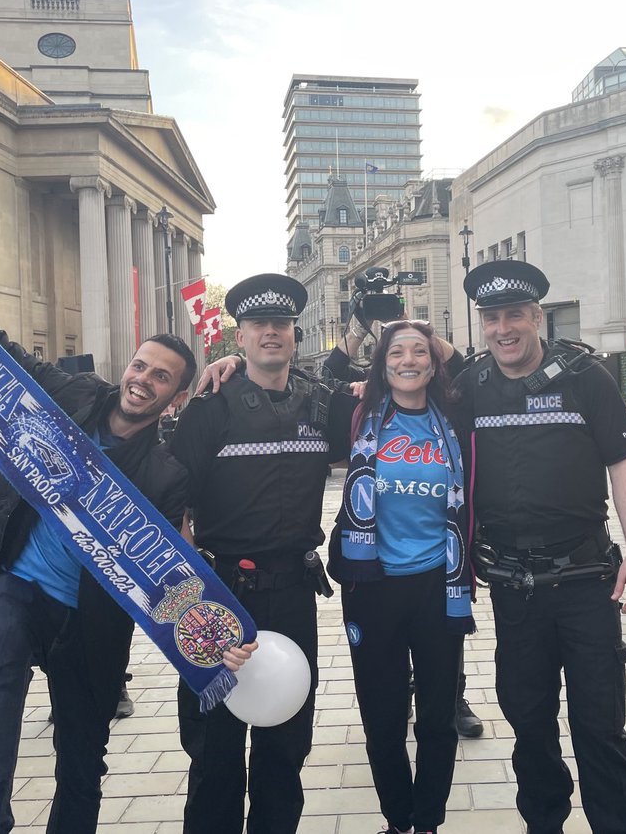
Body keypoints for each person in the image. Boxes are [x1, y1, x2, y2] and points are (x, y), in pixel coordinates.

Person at [0, 236, 252, 834]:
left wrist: (221, 644)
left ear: (176, 396)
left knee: (83, 763)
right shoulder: (71, 394)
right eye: (140, 366)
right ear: (127, 366)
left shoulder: (166, 475)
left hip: (90, 622)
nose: (143, 380)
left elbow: (174, 572)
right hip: (19, 581)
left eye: (161, 377)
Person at [456, 260, 626, 833]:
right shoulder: (471, 385)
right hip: (512, 588)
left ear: (536, 316)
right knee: (529, 721)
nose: (502, 329)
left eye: (513, 314)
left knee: (599, 723)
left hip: (585, 581)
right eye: (491, 318)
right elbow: (402, 378)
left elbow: (623, 467)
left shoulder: (585, 377)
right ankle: (543, 824)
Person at [170, 273, 354, 834]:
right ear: (240, 336)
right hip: (219, 595)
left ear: (295, 334)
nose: (271, 333)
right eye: (258, 325)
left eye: (281, 324)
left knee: (285, 749)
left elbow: (411, 391)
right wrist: (190, 583)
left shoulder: (323, 405)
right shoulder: (209, 409)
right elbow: (173, 499)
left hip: (294, 595)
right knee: (214, 753)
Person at [328, 319, 471, 834]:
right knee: (383, 717)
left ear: (433, 363)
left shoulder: (455, 413)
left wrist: (429, 333)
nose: (408, 361)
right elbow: (321, 374)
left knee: (437, 717)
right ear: (381, 363)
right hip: (373, 585)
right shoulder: (357, 411)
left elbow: (473, 367)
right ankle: (398, 819)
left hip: (439, 583)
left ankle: (428, 820)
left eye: (419, 353)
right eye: (397, 352)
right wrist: (226, 362)